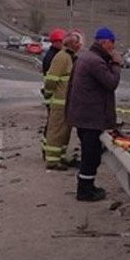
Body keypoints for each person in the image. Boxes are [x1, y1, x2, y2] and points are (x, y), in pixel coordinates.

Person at [66, 27, 122, 201]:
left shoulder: (86, 57)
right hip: (90, 117)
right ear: (104, 42)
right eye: (112, 43)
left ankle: (87, 185)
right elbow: (111, 83)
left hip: (84, 115)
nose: (113, 47)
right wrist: (116, 64)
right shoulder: (95, 61)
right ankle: (85, 190)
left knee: (90, 154)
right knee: (90, 156)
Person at [41, 31, 82, 169]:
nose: (80, 45)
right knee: (57, 131)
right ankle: (52, 161)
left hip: (67, 103)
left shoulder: (70, 57)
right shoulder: (62, 57)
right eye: (77, 42)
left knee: (64, 133)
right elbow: (51, 80)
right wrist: (49, 94)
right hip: (60, 102)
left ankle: (61, 156)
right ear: (70, 43)